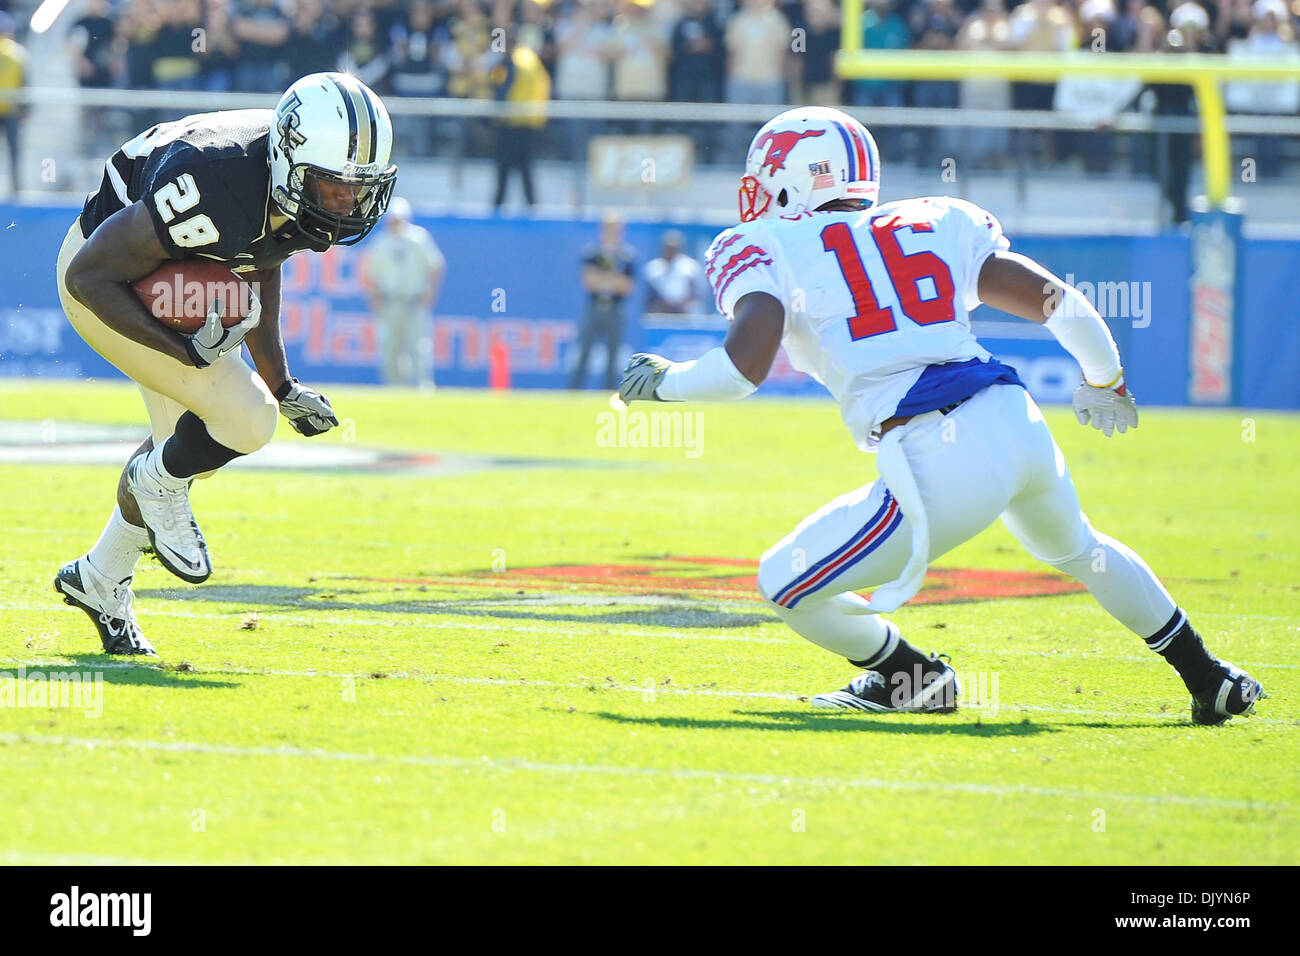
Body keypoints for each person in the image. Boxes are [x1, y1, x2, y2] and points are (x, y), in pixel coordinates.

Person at [617, 106, 1264, 726]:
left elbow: (744, 366)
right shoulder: (936, 219)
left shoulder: (762, 242)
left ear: (787, 180)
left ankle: (913, 680)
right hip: (1016, 420)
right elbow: (1056, 301)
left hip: (936, 452)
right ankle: (1209, 678)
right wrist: (1107, 380)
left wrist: (664, 385)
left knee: (783, 582)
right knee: (1081, 549)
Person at [53, 72, 398, 655]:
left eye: (358, 188)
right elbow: (89, 275)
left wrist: (284, 382)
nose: (348, 202)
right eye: (334, 186)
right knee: (246, 420)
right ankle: (152, 489)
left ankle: (100, 579)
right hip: (101, 279)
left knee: (191, 452)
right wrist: (185, 353)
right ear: (292, 163)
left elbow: (261, 258)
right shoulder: (215, 179)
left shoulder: (283, 180)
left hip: (146, 272)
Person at [360, 197, 445, 389]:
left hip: (414, 301)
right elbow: (369, 273)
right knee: (390, 349)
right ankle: (394, 388)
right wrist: (374, 298)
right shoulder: (381, 243)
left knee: (418, 347)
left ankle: (422, 388)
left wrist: (430, 290)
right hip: (390, 301)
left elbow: (435, 265)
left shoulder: (419, 238)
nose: (396, 223)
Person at [571, 212, 635, 390]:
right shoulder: (593, 253)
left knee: (613, 356)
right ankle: (573, 393)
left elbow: (627, 285)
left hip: (615, 308)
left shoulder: (626, 256)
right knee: (584, 352)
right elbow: (589, 281)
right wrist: (613, 279)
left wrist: (604, 278)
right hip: (594, 307)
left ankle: (608, 392)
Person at [489, 29, 550, 211]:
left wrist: (494, 114)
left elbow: (501, 89)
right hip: (531, 122)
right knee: (525, 168)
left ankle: (497, 209)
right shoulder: (530, 58)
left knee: (504, 169)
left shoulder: (511, 62)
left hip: (511, 122)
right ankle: (532, 207)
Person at [644, 230, 705, 314]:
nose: (670, 251)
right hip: (659, 312)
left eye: (673, 248)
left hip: (684, 312)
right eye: (667, 248)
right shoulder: (653, 267)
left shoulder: (690, 267)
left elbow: (697, 291)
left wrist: (681, 304)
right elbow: (648, 293)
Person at [0, 11, 25, 195]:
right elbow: (24, 80)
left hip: (8, 109)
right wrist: (25, 109)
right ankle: (16, 187)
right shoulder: (17, 52)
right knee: (14, 152)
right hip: (12, 109)